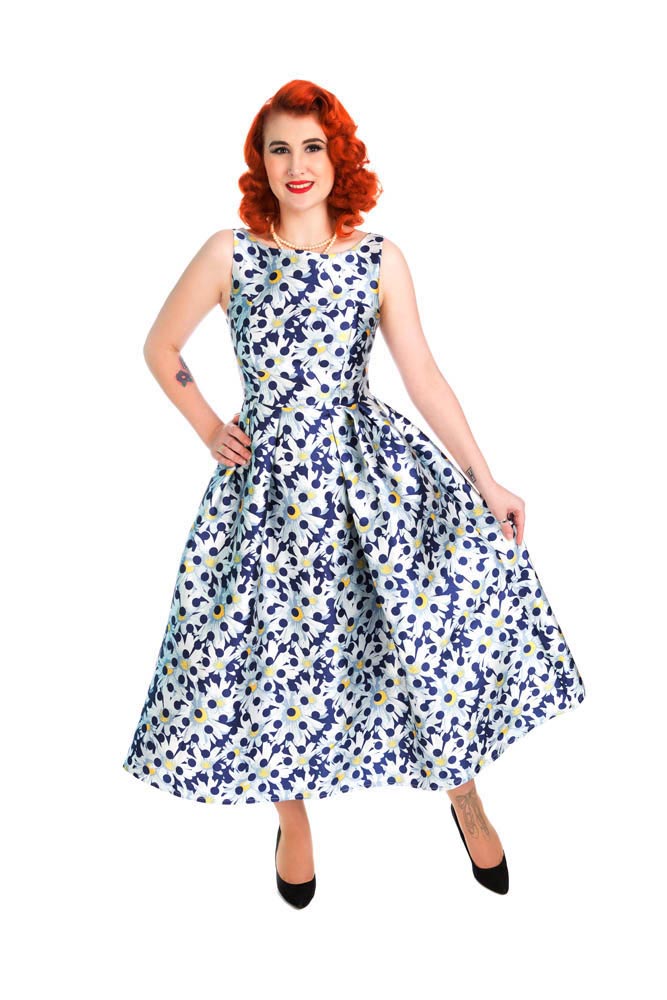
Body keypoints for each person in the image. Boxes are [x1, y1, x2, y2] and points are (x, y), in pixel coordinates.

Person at [122, 79, 586, 906]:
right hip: (267, 495)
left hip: (369, 482)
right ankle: (292, 816)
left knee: (419, 637)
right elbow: (161, 347)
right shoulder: (229, 253)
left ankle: (462, 793)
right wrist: (209, 427)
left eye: (312, 146)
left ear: (338, 157)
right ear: (260, 163)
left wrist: (484, 478)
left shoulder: (378, 258)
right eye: (279, 148)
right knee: (265, 658)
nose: (296, 164)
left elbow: (422, 374)